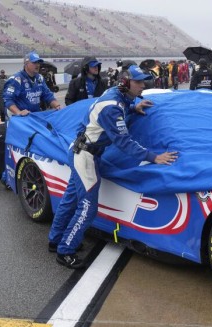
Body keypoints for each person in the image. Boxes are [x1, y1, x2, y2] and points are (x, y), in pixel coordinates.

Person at [47, 65, 179, 269]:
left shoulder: (116, 94)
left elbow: (117, 110)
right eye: (138, 82)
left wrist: (134, 108)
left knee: (70, 199)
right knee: (88, 208)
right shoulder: (112, 106)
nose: (143, 86)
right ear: (126, 82)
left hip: (80, 150)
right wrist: (154, 157)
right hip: (86, 157)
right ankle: (65, 250)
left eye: (144, 82)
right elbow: (124, 142)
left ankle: (55, 240)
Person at [3, 51, 62, 117]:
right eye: (34, 62)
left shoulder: (40, 78)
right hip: (18, 119)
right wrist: (18, 112)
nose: (37, 65)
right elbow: (8, 99)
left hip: (34, 116)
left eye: (38, 62)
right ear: (26, 63)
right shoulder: (16, 79)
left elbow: (47, 95)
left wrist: (57, 106)